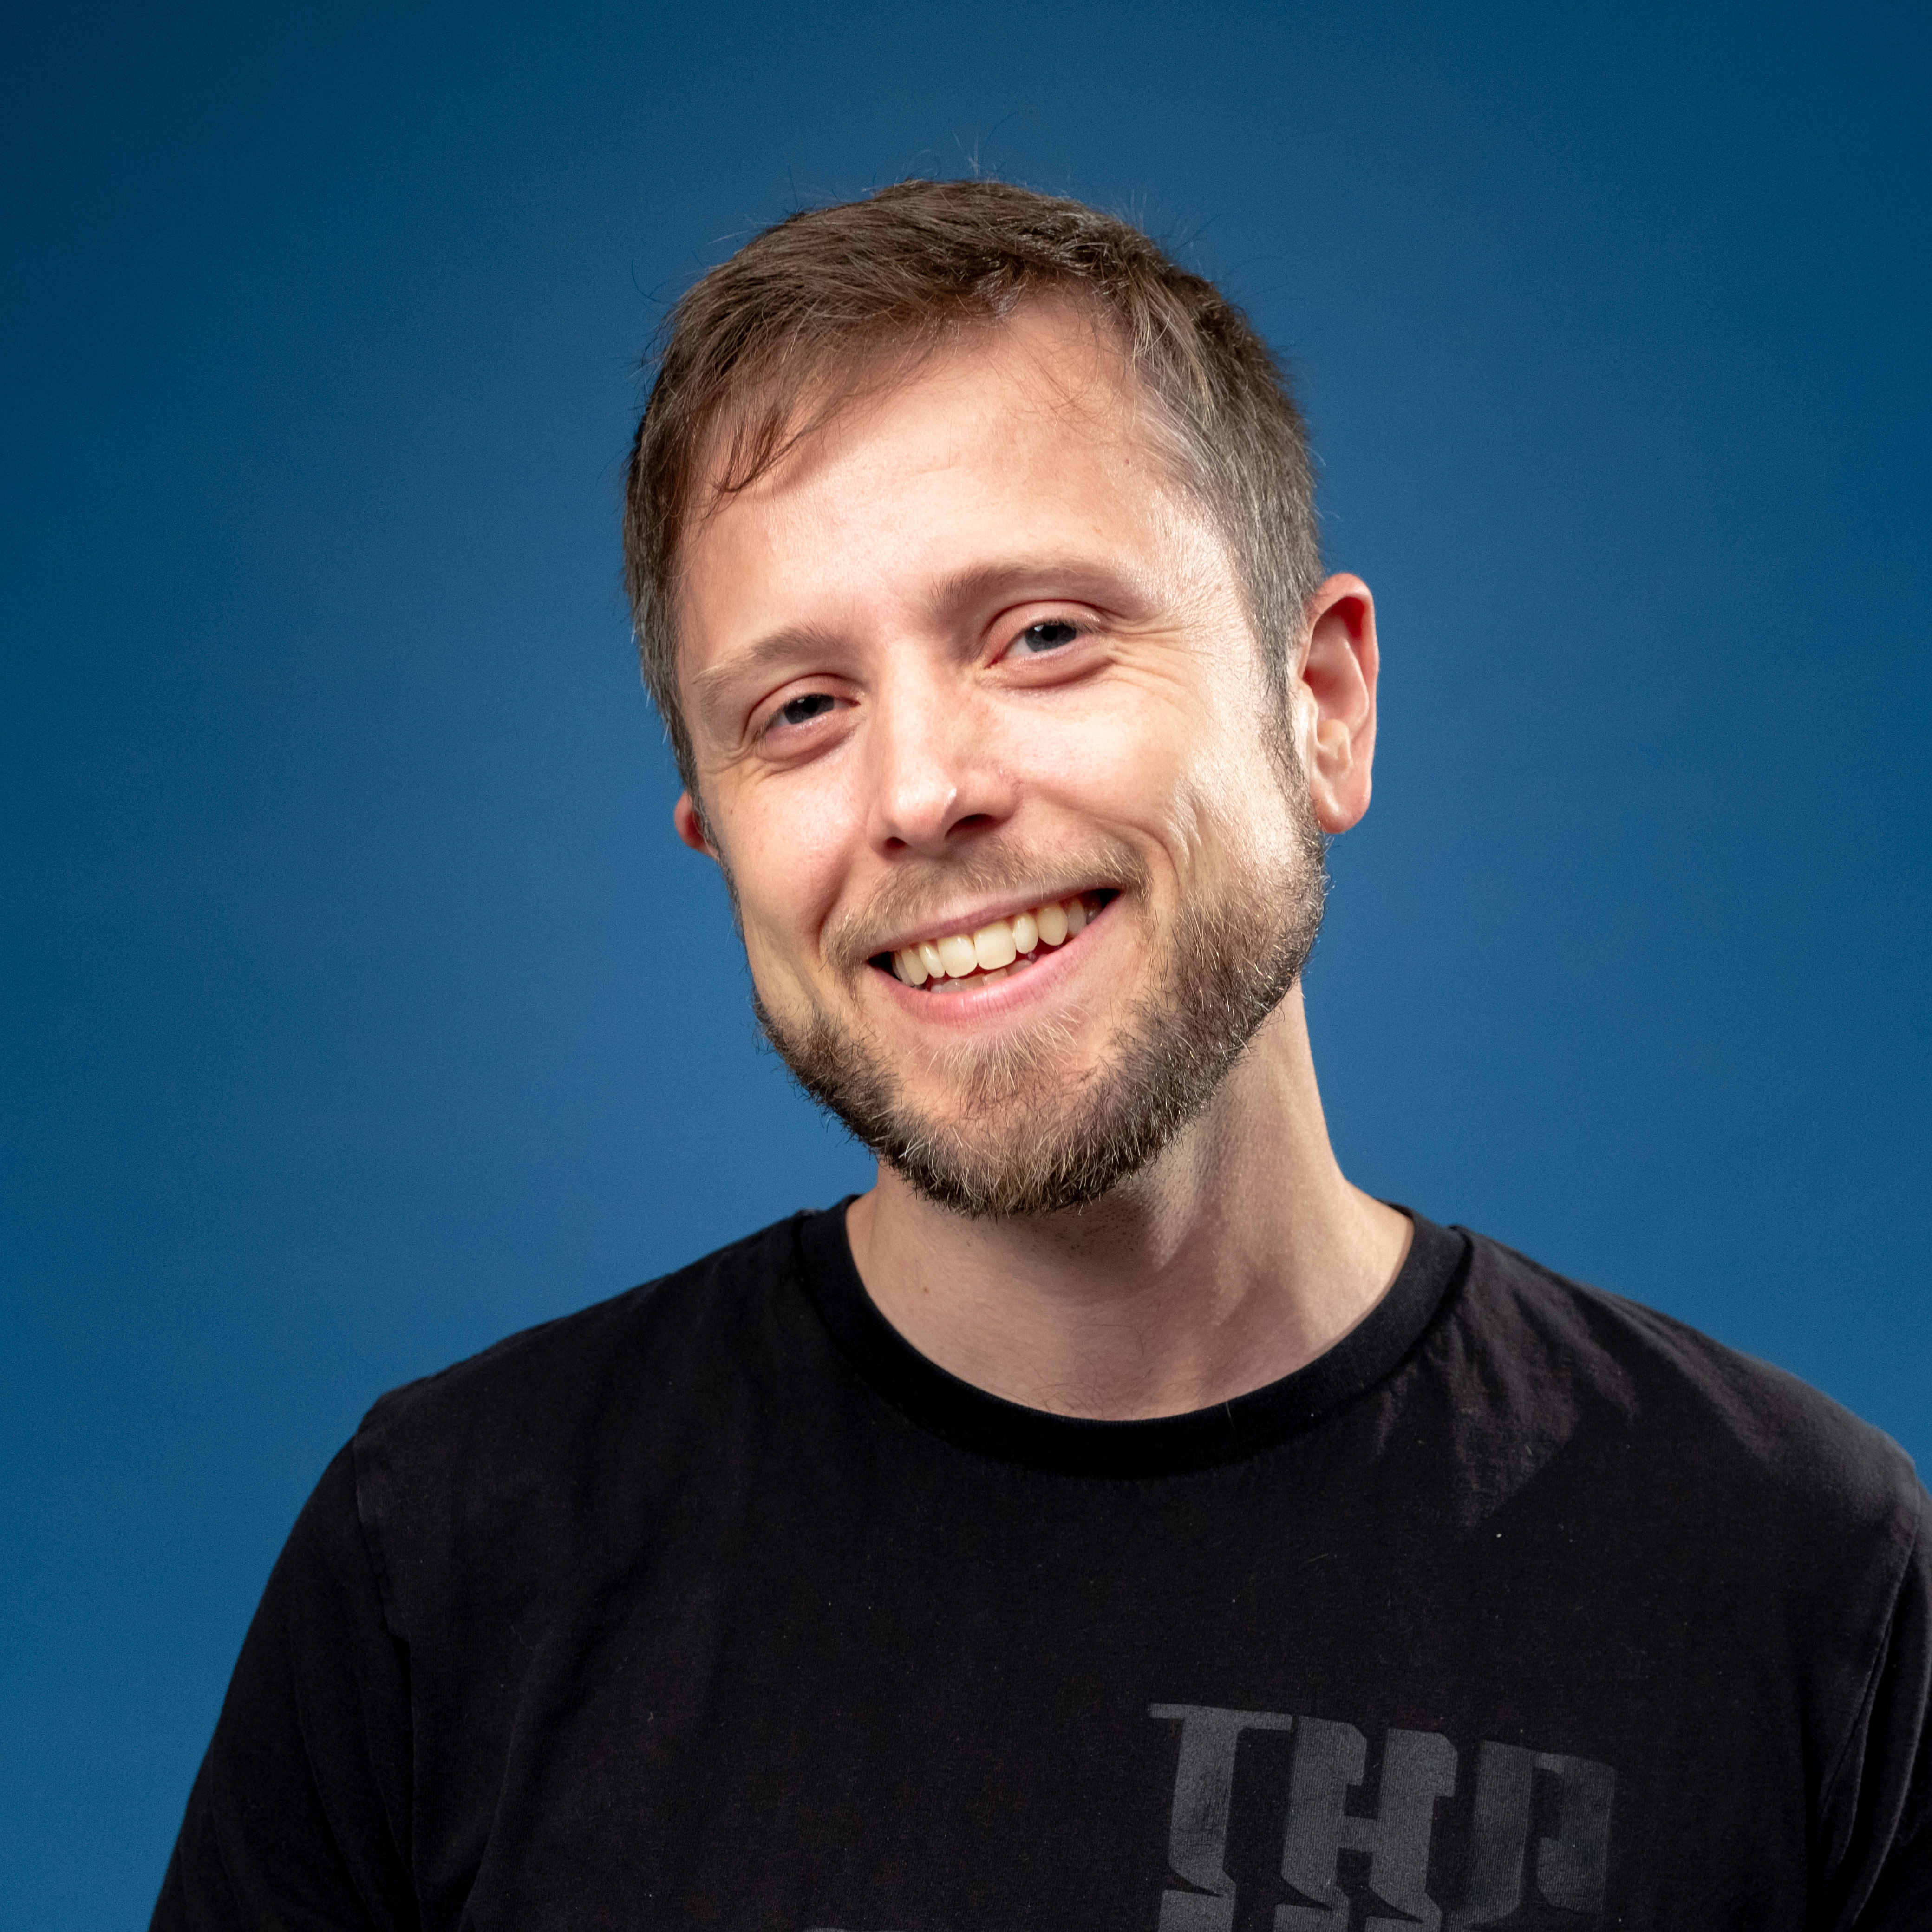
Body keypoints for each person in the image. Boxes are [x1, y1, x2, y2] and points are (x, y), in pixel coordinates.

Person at [154, 179, 1929, 1931]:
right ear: (716, 838)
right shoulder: (444, 1564)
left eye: (1045, 635)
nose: (925, 791)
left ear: (1322, 706)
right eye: (800, 710)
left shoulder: (1804, 1582)